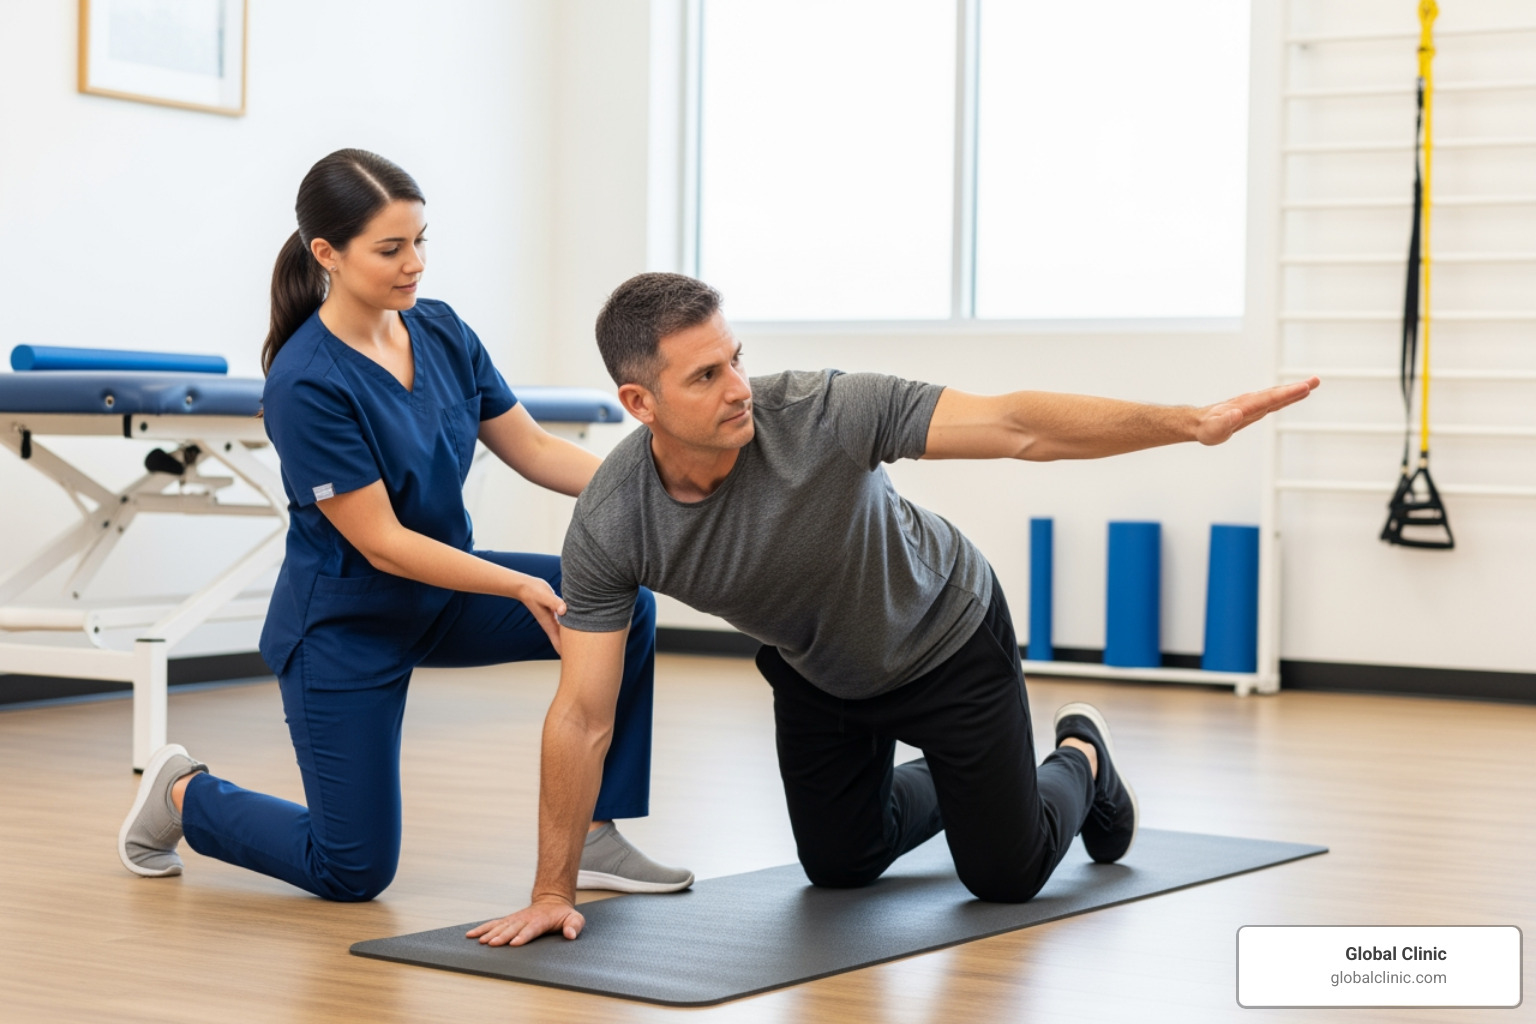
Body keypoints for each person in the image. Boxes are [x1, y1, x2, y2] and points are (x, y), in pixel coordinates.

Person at [470, 272, 1319, 945]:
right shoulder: (613, 522)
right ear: (639, 403)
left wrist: (1189, 422)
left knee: (1005, 876)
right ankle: (977, 781)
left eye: (735, 358)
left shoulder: (821, 412)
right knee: (839, 865)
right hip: (820, 673)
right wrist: (553, 892)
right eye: (705, 375)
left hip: (945, 637)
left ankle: (1079, 757)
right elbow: (582, 715)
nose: (738, 388)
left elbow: (1018, 425)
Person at [117, 151, 692, 902]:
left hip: (443, 594)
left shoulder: (444, 332)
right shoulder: (307, 380)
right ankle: (183, 795)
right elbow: (382, 541)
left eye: (421, 240)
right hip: (346, 627)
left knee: (624, 607)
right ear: (327, 253)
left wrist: (668, 486)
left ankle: (594, 834)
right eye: (391, 249)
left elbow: (534, 449)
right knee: (352, 870)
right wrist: (519, 582)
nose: (414, 263)